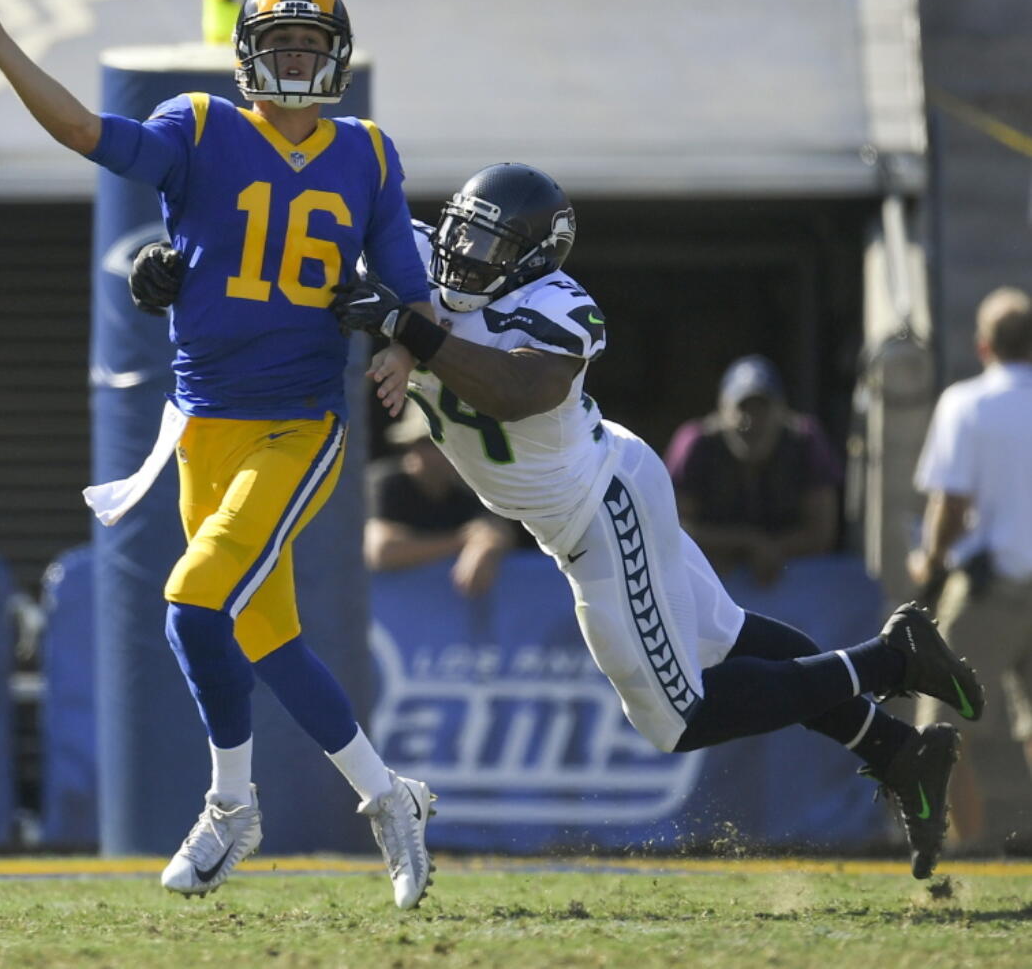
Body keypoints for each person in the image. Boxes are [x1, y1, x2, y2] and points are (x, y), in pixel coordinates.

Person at [0, 0, 435, 907]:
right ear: (246, 58)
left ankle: (230, 806)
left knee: (191, 601)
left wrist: (404, 339)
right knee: (266, 633)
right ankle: (388, 793)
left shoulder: (365, 150)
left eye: (308, 46)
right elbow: (85, 132)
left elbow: (409, 280)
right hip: (204, 424)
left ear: (336, 60)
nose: (291, 60)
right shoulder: (198, 126)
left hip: (299, 423)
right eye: (277, 44)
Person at [319, 161, 986, 880]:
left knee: (676, 718)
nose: (463, 255)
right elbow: (323, 243)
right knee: (725, 638)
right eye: (461, 232)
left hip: (600, 507)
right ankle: (896, 749)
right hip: (598, 485)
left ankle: (896, 658)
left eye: (492, 245)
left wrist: (405, 330)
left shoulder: (558, 305)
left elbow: (513, 391)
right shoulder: (412, 256)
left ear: (535, 259)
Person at [907, 286, 1032, 851]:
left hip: (990, 589)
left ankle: (965, 849)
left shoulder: (967, 403)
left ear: (983, 346)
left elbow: (950, 507)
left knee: (941, 725)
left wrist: (929, 563)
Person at [664, 355, 842, 586]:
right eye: (742, 407)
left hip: (788, 579)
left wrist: (774, 550)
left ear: (782, 412)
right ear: (722, 410)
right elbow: (672, 530)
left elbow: (821, 533)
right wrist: (746, 543)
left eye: (762, 408)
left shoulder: (805, 442)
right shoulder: (695, 444)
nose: (750, 421)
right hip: (709, 580)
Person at [367, 401, 518, 597]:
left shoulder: (462, 490)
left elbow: (497, 529)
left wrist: (484, 545)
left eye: (451, 443)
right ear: (412, 445)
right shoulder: (387, 483)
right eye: (432, 442)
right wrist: (462, 542)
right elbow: (382, 551)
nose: (446, 452)